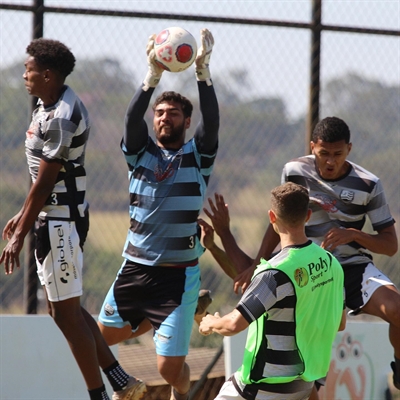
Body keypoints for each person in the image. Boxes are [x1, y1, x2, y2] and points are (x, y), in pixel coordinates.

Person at [0, 38, 142, 400]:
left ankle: (101, 394)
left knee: (66, 315)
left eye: (29, 69)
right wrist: (23, 216)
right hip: (52, 216)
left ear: (47, 75)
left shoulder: (64, 115)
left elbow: (48, 179)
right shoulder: (46, 105)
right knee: (66, 311)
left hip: (60, 221)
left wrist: (19, 234)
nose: (24, 74)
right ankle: (119, 379)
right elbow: (41, 179)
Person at [218, 116, 400, 392]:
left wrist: (353, 234)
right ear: (312, 146)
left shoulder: (368, 184)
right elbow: (280, 219)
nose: (330, 161)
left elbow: (390, 244)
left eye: (337, 154)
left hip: (349, 267)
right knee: (303, 359)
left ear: (349, 149)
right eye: (323, 153)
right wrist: (257, 264)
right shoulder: (294, 170)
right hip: (304, 268)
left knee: (397, 310)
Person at [97, 29, 219, 400]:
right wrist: (151, 76)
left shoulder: (198, 157)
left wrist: (203, 73)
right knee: (100, 339)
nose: (165, 118)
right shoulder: (140, 154)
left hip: (177, 276)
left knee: (169, 370)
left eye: (174, 113)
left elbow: (211, 123)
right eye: (160, 113)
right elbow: (132, 117)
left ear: (185, 122)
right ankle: (130, 375)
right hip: (135, 267)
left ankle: (182, 393)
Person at [199, 182, 346, 400]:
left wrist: (210, 322)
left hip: (262, 387)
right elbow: (340, 323)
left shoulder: (274, 273)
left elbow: (232, 325)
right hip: (303, 386)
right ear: (307, 216)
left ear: (272, 217)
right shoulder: (332, 263)